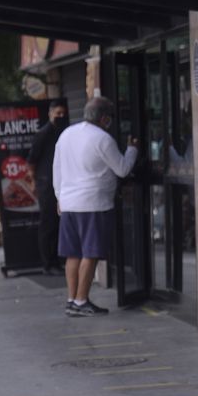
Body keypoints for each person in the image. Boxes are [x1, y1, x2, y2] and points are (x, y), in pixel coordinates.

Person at [53, 96, 138, 317]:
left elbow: (57, 170)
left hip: (69, 204)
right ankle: (82, 301)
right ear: (104, 118)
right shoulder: (102, 138)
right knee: (90, 253)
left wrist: (60, 198)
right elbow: (122, 169)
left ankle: (72, 300)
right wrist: (132, 149)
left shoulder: (66, 135)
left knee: (73, 254)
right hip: (93, 204)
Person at [28, 99, 69, 275]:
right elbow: (32, 160)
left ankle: (56, 261)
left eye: (63, 114)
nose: (61, 117)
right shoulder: (44, 133)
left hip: (60, 183)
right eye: (57, 113)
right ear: (50, 114)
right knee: (49, 224)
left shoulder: (64, 132)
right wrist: (34, 182)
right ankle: (48, 263)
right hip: (47, 184)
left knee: (58, 224)